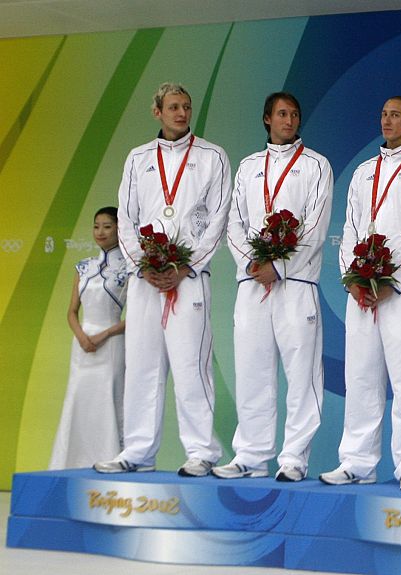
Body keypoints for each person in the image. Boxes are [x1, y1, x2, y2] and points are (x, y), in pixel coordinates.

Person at [94, 82, 232, 476]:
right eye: (173, 107)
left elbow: (218, 217)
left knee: (192, 364)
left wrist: (186, 266)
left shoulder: (212, 156)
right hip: (145, 278)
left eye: (186, 107)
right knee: (142, 365)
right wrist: (144, 263)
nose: (182, 113)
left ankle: (202, 452)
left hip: (188, 276)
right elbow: (126, 216)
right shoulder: (138, 158)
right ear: (157, 112)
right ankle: (137, 450)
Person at [319, 96, 401, 491]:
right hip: (362, 292)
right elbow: (350, 230)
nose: (388, 121)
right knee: (359, 376)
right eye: (384, 115)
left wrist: (390, 278)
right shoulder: (363, 171)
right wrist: (354, 278)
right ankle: (356, 462)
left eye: (396, 115)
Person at [213, 92, 332, 481]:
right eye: (282, 114)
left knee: (302, 375)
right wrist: (252, 263)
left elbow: (314, 226)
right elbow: (233, 222)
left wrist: (279, 266)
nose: (290, 120)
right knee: (251, 370)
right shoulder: (248, 166)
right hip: (252, 283)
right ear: (267, 119)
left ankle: (294, 459)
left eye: (295, 115)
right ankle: (250, 454)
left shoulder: (316, 165)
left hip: (295, 282)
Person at [50, 207, 127, 469]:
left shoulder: (129, 268)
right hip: (82, 346)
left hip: (112, 344)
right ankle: (68, 463)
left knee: (109, 399)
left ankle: (110, 462)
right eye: (96, 226)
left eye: (107, 226)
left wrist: (104, 334)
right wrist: (82, 337)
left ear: (120, 228)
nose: (100, 232)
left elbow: (137, 317)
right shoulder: (83, 266)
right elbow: (71, 312)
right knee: (78, 399)